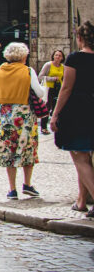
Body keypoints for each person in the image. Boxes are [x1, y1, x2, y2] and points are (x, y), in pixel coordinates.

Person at [0, 42, 45, 200]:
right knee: (27, 149)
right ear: (24, 56)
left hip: (5, 115)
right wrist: (45, 88)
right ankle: (27, 184)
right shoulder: (28, 71)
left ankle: (12, 189)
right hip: (24, 116)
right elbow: (38, 93)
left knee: (8, 151)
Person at [50, 22, 94, 218]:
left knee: (80, 157)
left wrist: (55, 114)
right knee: (84, 158)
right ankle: (81, 201)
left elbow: (66, 88)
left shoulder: (75, 58)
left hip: (79, 111)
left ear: (80, 38)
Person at [38, 50, 65, 135]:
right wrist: (52, 79)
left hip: (58, 88)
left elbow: (64, 78)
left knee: (57, 108)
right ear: (53, 56)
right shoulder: (48, 65)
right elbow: (40, 77)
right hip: (49, 89)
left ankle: (56, 126)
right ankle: (44, 127)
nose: (57, 57)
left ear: (62, 58)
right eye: (56, 55)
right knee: (47, 107)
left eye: (59, 55)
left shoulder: (63, 67)